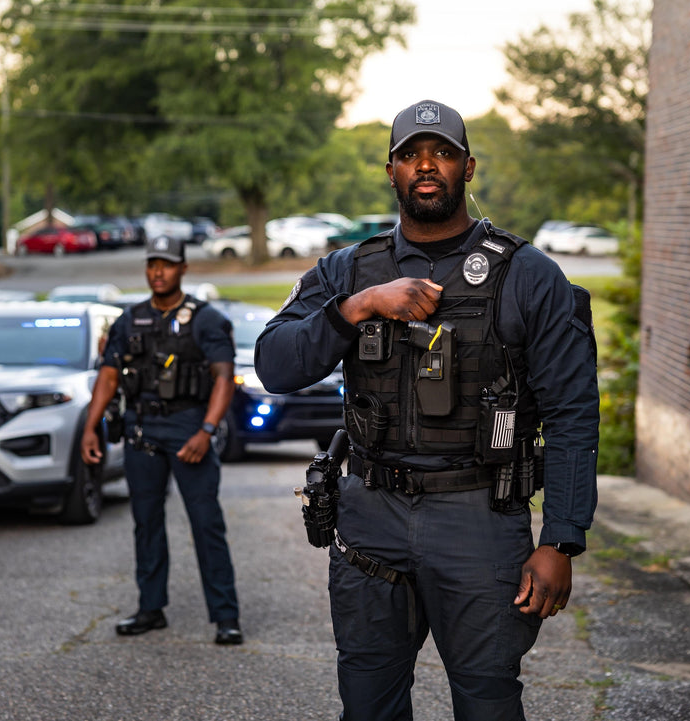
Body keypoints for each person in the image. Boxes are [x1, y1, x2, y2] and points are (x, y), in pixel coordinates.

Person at [254, 100, 599, 719]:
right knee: (367, 705)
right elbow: (275, 365)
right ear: (391, 171)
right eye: (411, 155)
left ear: (468, 167)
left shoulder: (527, 274)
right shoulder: (348, 270)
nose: (426, 166)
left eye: (441, 153)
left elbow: (573, 411)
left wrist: (563, 540)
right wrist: (357, 307)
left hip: (479, 519)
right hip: (370, 520)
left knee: (488, 703)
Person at [81, 235, 243, 645]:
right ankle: (150, 608)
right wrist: (90, 427)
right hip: (141, 430)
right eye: (152, 263)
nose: (158, 271)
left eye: (167, 264)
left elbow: (224, 379)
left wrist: (206, 431)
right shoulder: (129, 319)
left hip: (189, 427)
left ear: (183, 269)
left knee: (206, 524)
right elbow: (109, 376)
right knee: (146, 524)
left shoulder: (206, 319)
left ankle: (226, 616)